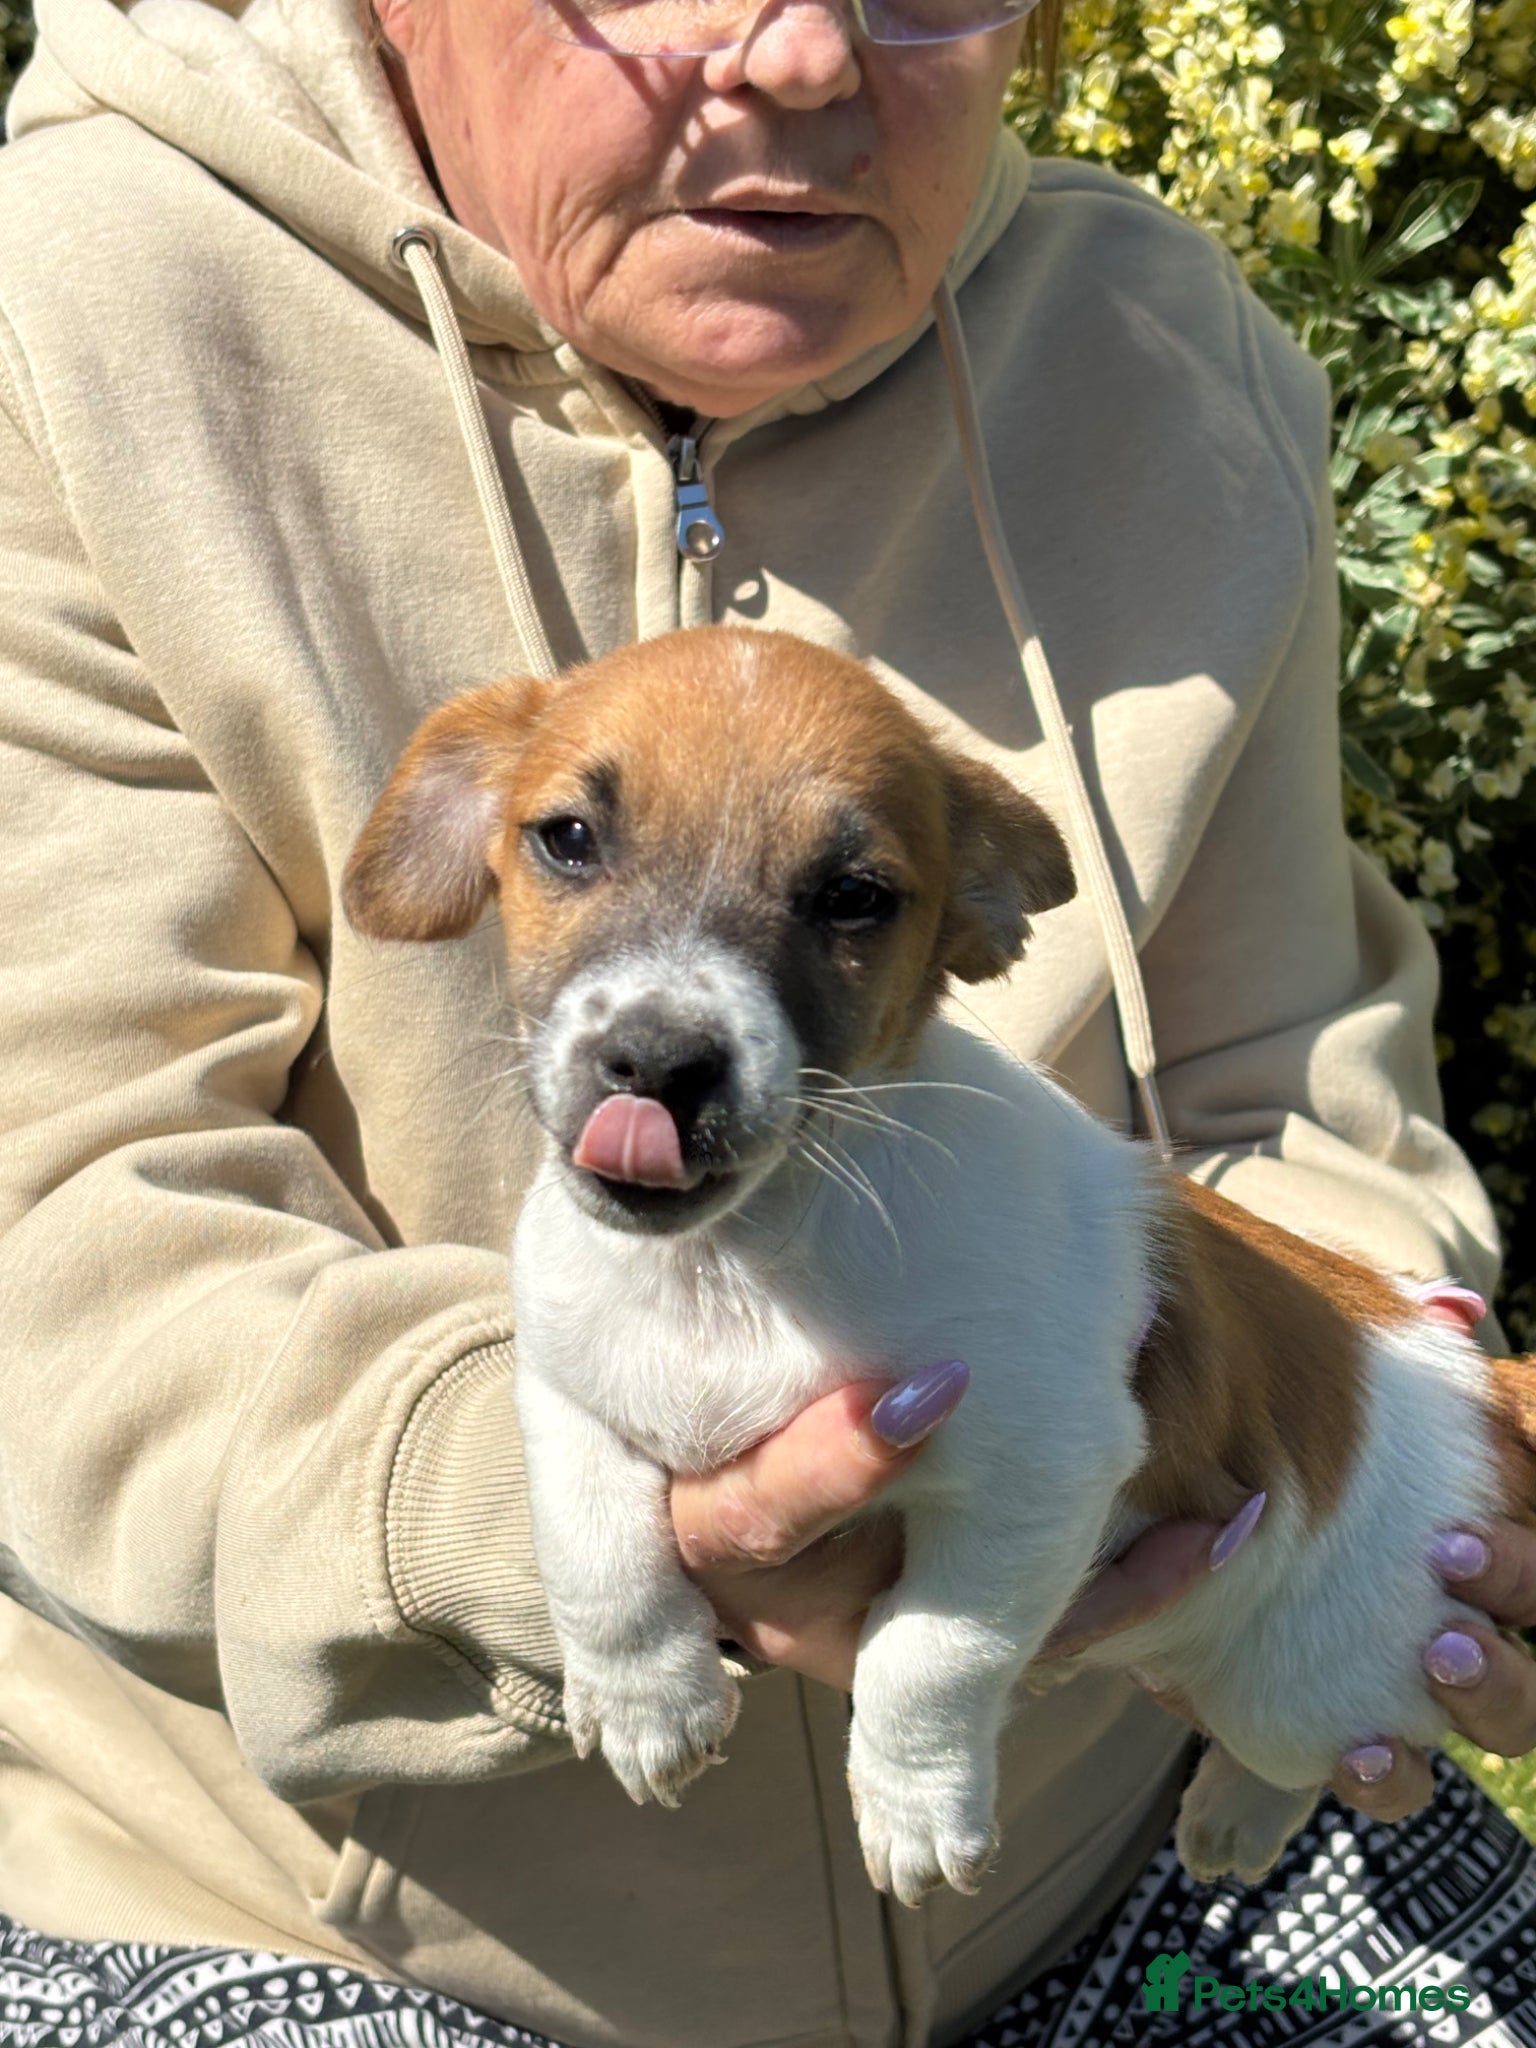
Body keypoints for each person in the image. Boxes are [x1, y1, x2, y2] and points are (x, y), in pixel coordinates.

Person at [0, 0, 1534, 2043]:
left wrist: (1407, 1433)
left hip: (1112, 1808)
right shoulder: (68, 319)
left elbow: (1285, 1075)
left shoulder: (1168, 351)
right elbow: (63, 1232)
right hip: (329, 1910)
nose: (807, 51)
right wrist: (599, 1516)